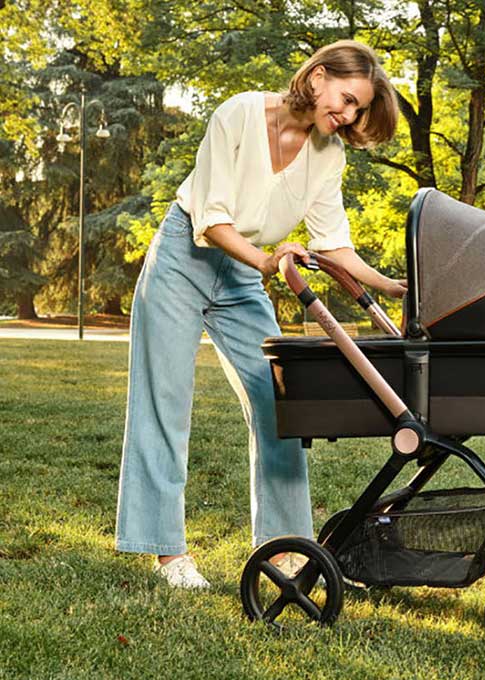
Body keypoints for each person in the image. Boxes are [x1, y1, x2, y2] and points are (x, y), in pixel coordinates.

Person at [115, 40, 406, 589]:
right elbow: (213, 219)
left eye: (357, 110)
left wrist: (389, 285)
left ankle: (287, 548)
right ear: (317, 77)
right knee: (165, 400)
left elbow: (334, 244)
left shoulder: (330, 155)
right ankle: (166, 552)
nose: (346, 115)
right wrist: (267, 260)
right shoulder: (240, 113)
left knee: (281, 401)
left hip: (246, 273)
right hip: (185, 254)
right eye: (346, 99)